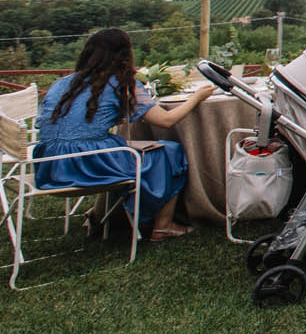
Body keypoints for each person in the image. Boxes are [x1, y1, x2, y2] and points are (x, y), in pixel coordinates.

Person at [34, 28, 208, 240]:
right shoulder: (121, 84)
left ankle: (115, 213)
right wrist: (197, 97)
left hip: (48, 165)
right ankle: (163, 225)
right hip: (85, 166)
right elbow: (166, 120)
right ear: (124, 54)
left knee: (127, 147)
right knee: (170, 152)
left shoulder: (62, 83)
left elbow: (45, 122)